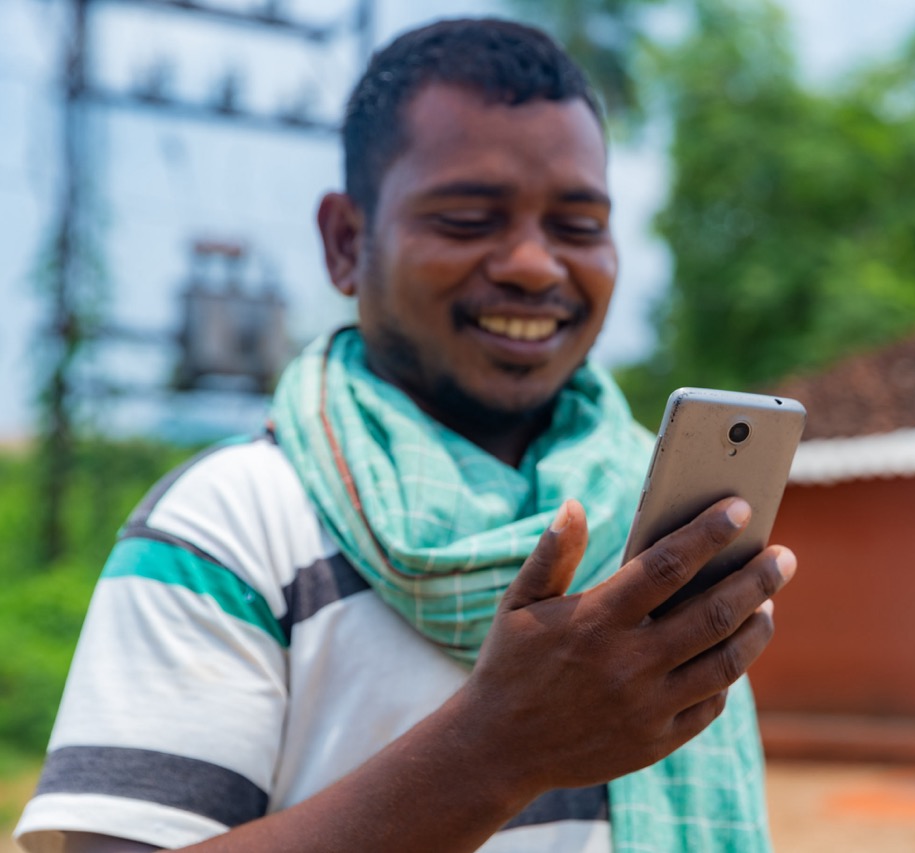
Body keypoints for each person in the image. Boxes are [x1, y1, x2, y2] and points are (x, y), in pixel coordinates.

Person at [15, 17, 796, 853]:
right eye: (467, 218)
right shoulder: (232, 524)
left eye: (577, 225)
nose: (535, 264)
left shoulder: (642, 511)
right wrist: (497, 749)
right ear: (348, 242)